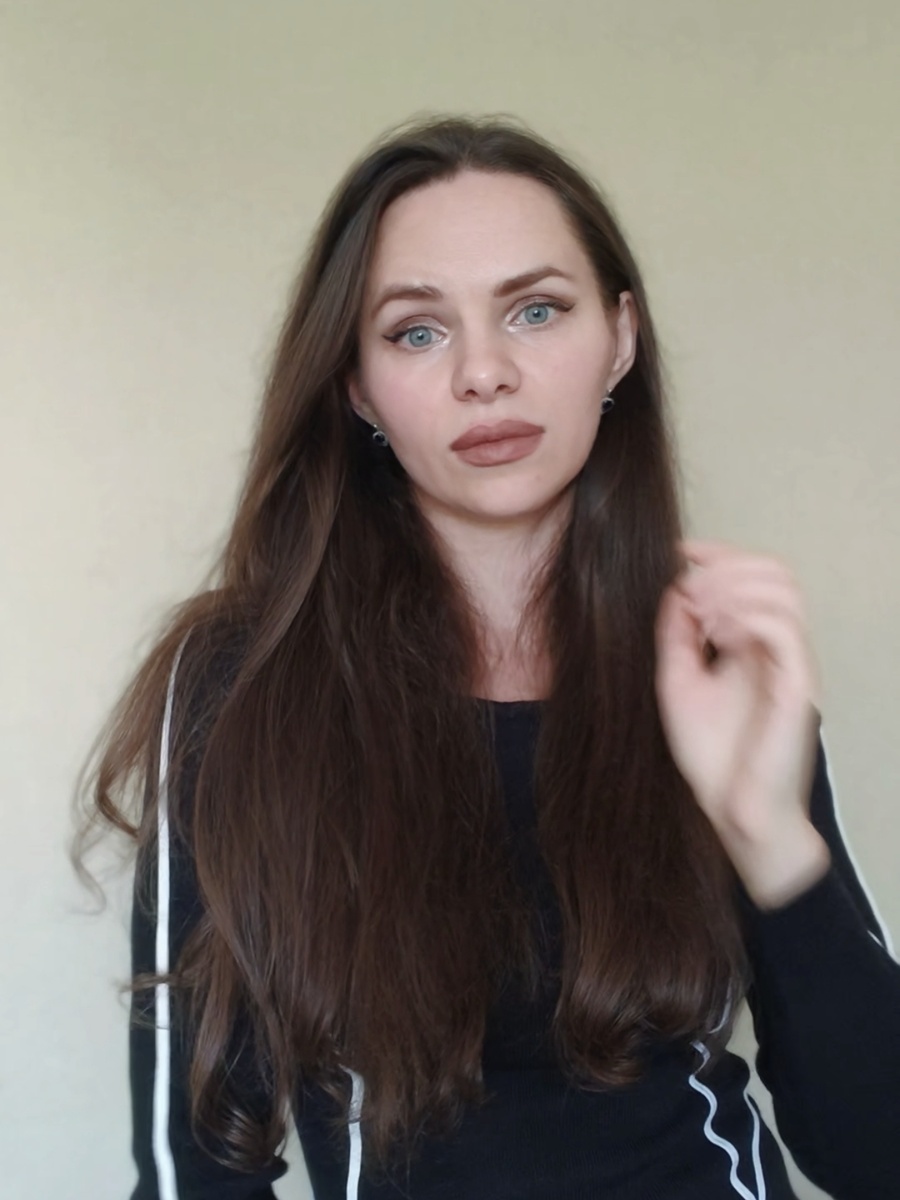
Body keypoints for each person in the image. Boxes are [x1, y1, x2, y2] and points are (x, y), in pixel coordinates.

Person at [82, 115, 900, 1200]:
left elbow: (877, 1154)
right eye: (417, 331)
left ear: (619, 339)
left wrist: (770, 837)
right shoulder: (246, 679)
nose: (484, 373)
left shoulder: (711, 651)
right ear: (356, 385)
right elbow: (196, 1164)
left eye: (536, 310)